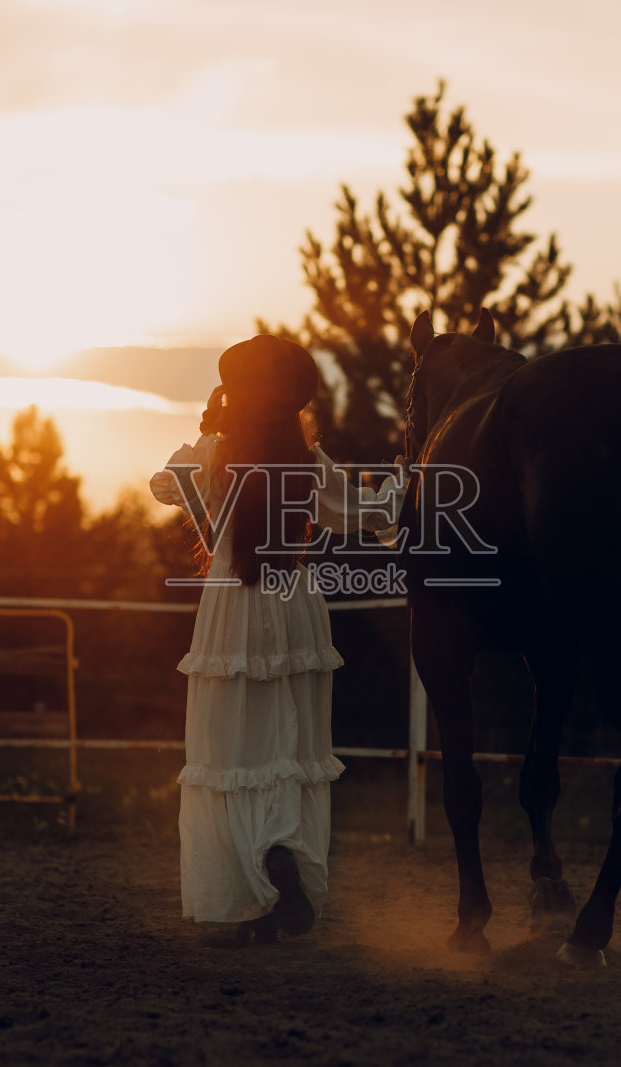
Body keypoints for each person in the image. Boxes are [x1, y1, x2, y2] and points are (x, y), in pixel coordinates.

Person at [149, 334, 404, 944]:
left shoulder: (214, 453)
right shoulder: (309, 463)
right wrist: (405, 478)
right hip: (294, 607)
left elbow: (165, 485)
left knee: (232, 753)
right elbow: (374, 512)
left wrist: (206, 432)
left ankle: (254, 886)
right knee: (288, 750)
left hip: (231, 611)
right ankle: (284, 852)